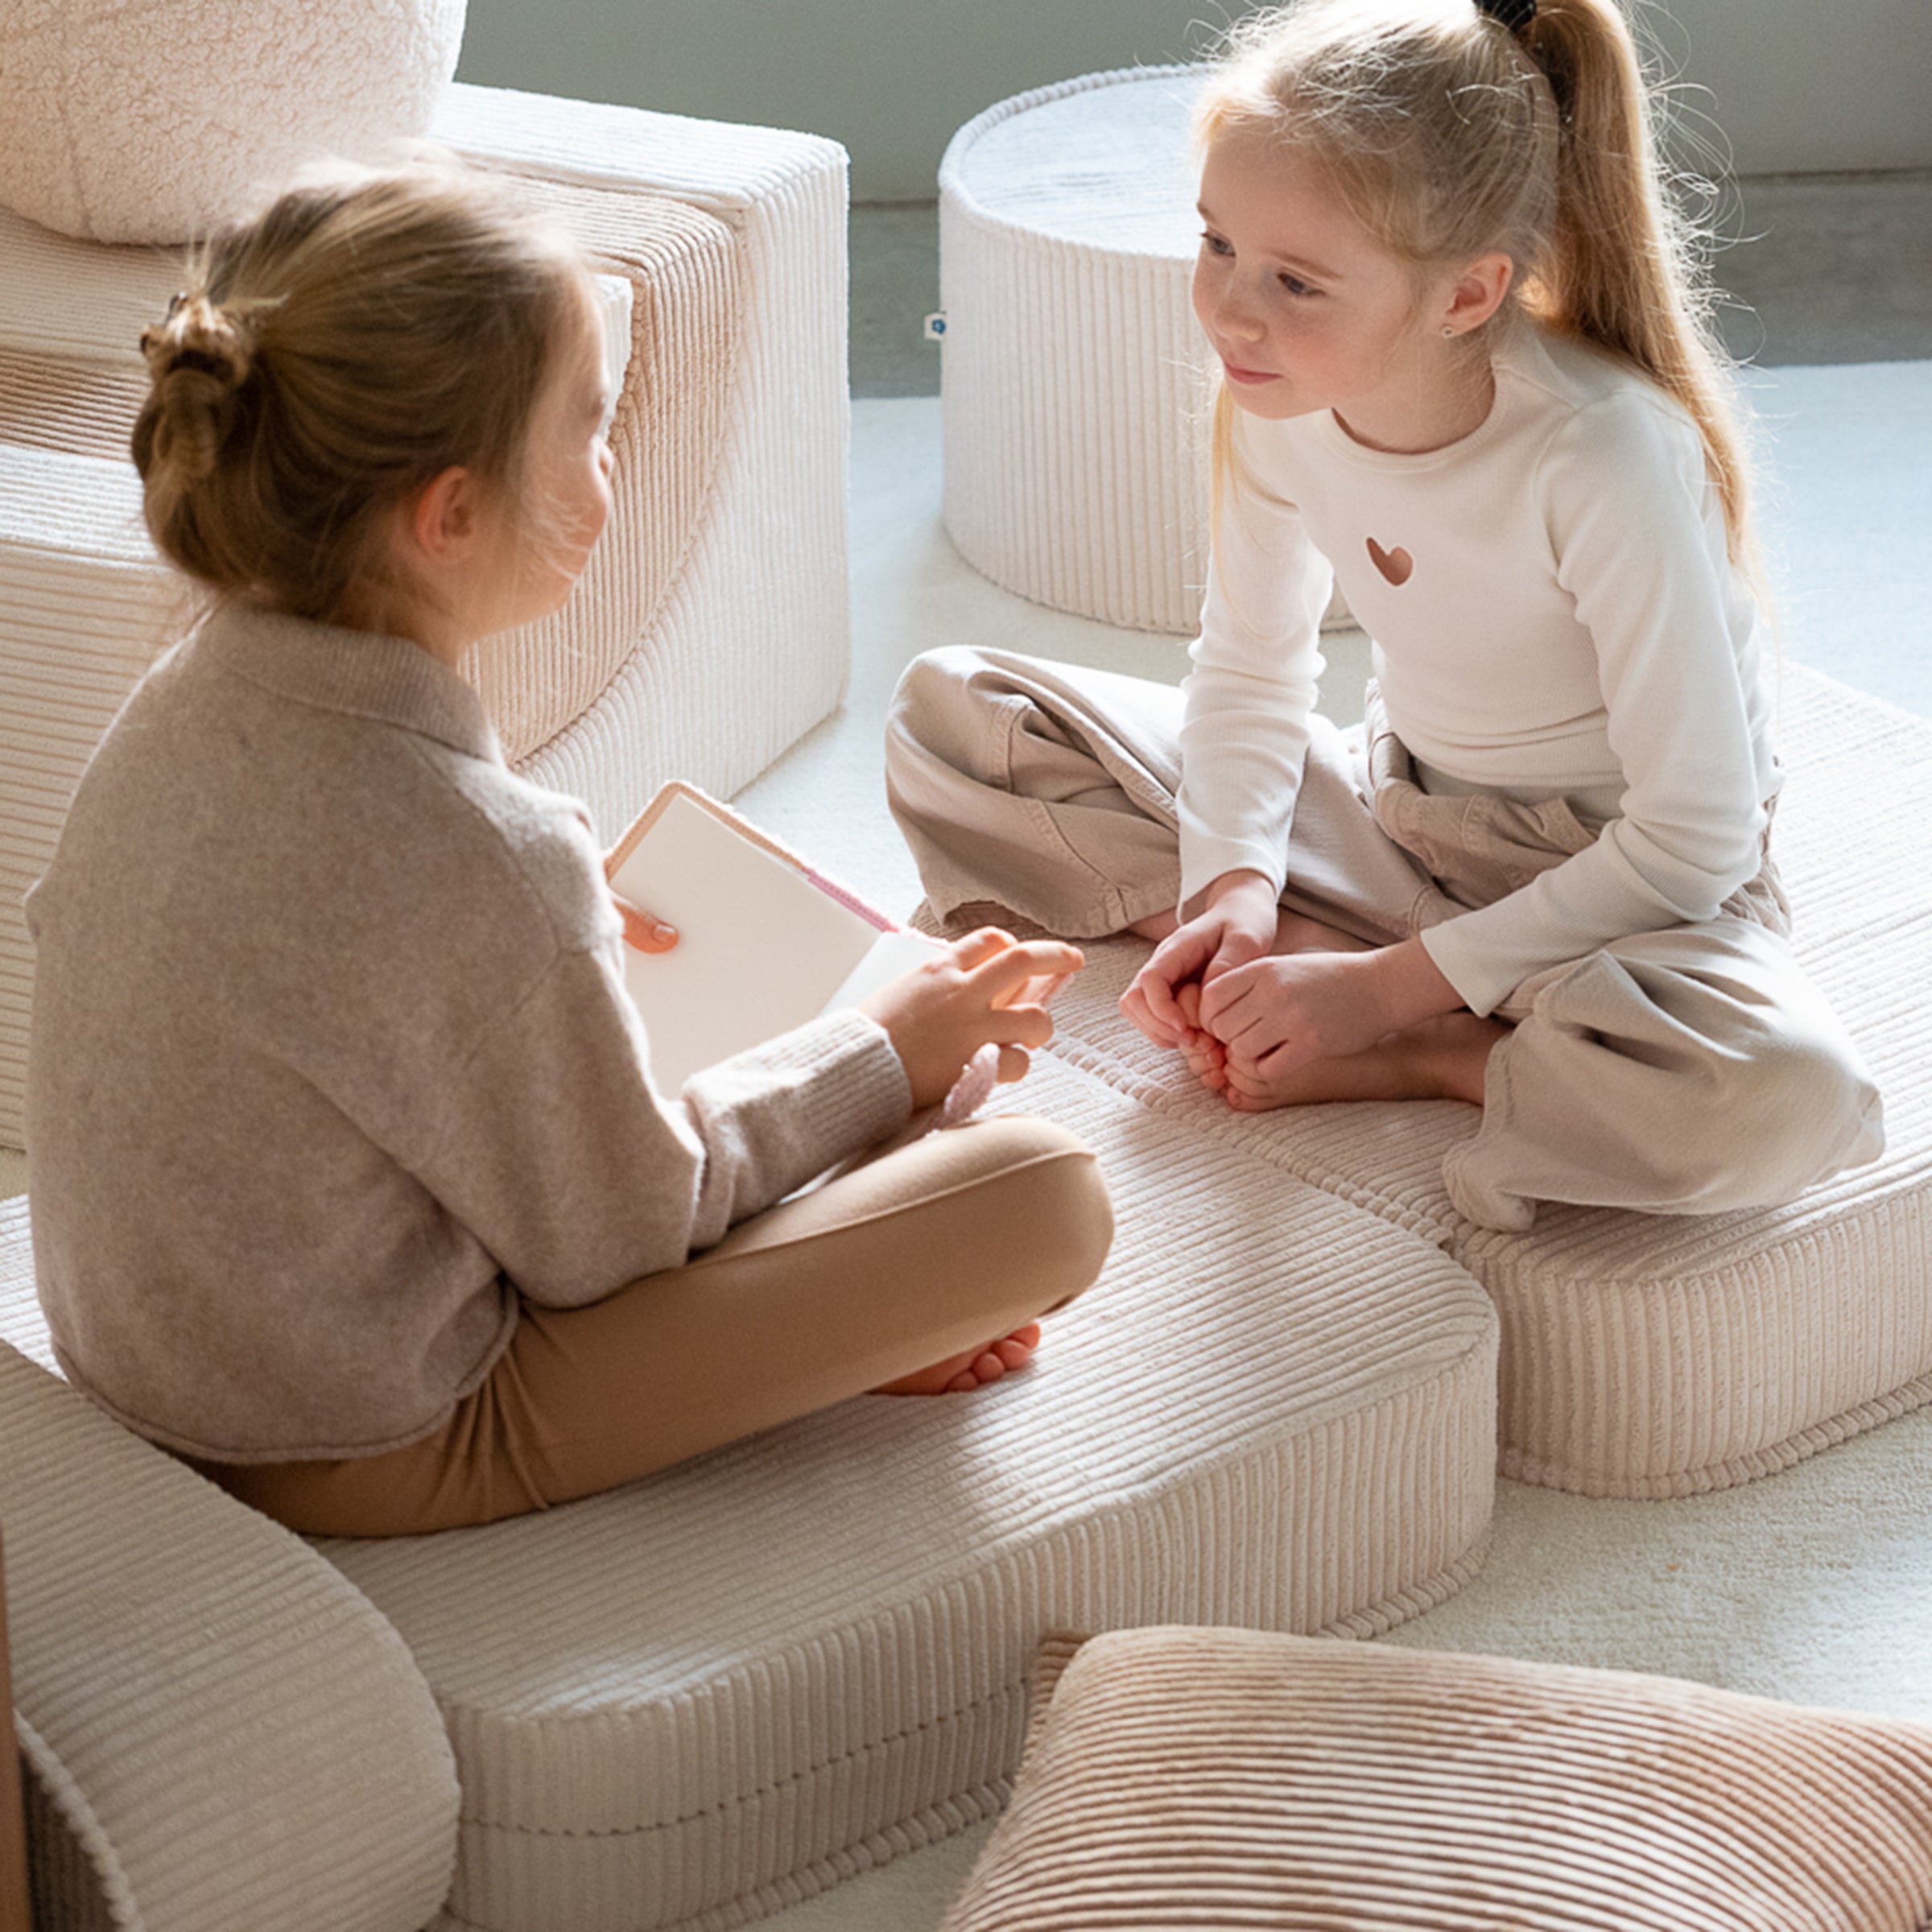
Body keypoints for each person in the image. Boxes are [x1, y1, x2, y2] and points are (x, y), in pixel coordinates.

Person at [23, 162, 1113, 1538]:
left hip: (144, 1360)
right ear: (450, 515)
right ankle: (838, 1332)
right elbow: (625, 1233)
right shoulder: (475, 855)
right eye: (589, 425)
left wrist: (533, 931)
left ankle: (834, 1314)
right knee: (1046, 1196)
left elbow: (335, 938)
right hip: (353, 1437)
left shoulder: (174, 709)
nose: (611, 467)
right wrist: (888, 1050)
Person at [887, 0, 1882, 1232]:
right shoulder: (1277, 392)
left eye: (1296, 281)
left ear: (1467, 294)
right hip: (1404, 824)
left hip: (1624, 894)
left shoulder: (1602, 453)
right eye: (1216, 243)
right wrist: (1231, 894)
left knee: (1778, 1092)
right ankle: (1315, 949)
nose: (1232, 312)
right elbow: (1250, 676)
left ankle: (1447, 1051)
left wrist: (1382, 1000)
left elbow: (1695, 843)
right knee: (956, 714)